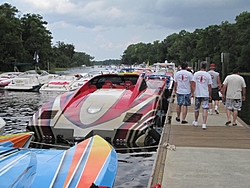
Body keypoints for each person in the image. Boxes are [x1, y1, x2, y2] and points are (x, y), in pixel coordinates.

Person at [192, 61, 212, 130]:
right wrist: (210, 94)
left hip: (198, 93)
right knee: (205, 109)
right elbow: (209, 86)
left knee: (196, 108)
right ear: (206, 67)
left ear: (200, 66)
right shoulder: (208, 75)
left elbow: (193, 84)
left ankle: (196, 121)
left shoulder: (196, 74)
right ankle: (204, 124)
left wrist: (192, 93)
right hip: (205, 94)